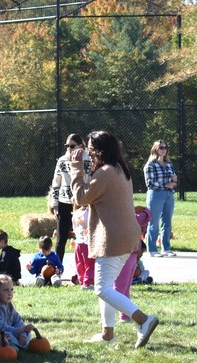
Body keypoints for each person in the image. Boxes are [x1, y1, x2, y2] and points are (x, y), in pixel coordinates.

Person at [70, 130, 159, 347]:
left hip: (113, 238)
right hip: (128, 236)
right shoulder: (120, 169)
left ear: (100, 151)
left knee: (102, 288)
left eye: (91, 150)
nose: (89, 154)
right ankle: (107, 334)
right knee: (107, 286)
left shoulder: (106, 173)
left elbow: (81, 198)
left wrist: (76, 169)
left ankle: (143, 319)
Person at [50, 134, 90, 260]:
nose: (69, 148)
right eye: (67, 146)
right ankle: (57, 268)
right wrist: (55, 205)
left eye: (72, 146)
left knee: (84, 237)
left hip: (83, 203)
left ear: (81, 146)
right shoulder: (62, 160)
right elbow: (56, 183)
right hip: (64, 202)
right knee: (61, 238)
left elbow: (90, 180)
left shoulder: (88, 160)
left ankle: (85, 269)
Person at [0, 274, 36, 350]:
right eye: (6, 290)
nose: (10, 293)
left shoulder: (9, 305)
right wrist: (21, 330)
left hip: (14, 331)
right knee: (7, 336)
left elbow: (18, 321)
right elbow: (1, 328)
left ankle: (21, 343)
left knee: (28, 332)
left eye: (11, 290)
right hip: (0, 335)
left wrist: (23, 334)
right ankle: (17, 346)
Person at [143, 139, 178, 257]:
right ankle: (152, 249)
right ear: (155, 149)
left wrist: (173, 182)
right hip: (156, 194)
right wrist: (165, 185)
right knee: (153, 221)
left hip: (169, 194)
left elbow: (173, 179)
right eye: (161, 148)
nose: (164, 150)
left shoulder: (169, 164)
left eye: (165, 148)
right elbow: (150, 183)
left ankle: (166, 248)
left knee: (167, 222)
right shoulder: (150, 164)